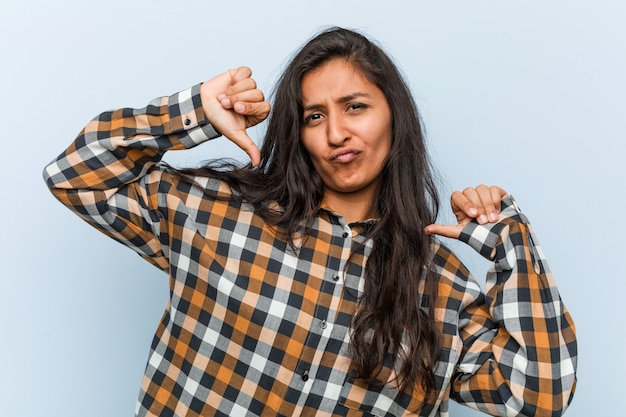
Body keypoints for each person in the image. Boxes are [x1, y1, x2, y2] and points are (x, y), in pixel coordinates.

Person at [43, 27, 577, 417]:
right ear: (297, 133)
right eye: (314, 116)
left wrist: (513, 245)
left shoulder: (441, 289)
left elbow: (539, 395)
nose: (335, 133)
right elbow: (75, 175)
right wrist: (197, 112)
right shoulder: (214, 212)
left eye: (356, 107)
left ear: (395, 117)